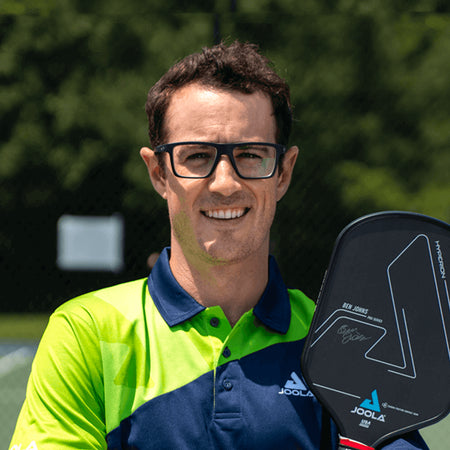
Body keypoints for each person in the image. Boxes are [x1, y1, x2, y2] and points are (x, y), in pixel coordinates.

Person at [10, 41, 428, 450]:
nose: (225, 182)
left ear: (283, 173)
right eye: (196, 156)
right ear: (158, 173)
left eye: (250, 155)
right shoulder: (86, 332)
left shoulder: (339, 343)